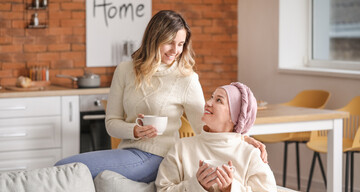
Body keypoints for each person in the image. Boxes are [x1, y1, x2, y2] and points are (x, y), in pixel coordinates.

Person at [55, 10, 267, 182]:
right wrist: (135, 131)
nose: (175, 50)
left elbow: (205, 128)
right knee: (64, 168)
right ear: (154, 39)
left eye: (181, 44)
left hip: (161, 157)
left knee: (64, 169)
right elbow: (111, 123)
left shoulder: (187, 78)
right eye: (169, 42)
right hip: (129, 152)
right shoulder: (125, 70)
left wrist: (242, 138)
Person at [155, 82, 280, 192]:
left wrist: (230, 190)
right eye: (211, 97)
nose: (208, 102)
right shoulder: (181, 148)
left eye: (219, 100)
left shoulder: (251, 153)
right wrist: (197, 187)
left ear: (234, 116)